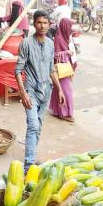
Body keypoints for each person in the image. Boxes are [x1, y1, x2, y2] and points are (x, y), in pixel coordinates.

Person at [14, 10, 65, 172]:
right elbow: (17, 70)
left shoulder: (50, 43)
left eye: (45, 22)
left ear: (49, 24)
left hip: (46, 91)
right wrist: (23, 93)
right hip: (31, 90)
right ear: (34, 23)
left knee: (39, 126)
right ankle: (29, 165)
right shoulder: (26, 43)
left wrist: (60, 89)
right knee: (33, 126)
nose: (42, 25)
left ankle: (31, 156)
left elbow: (51, 69)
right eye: (39, 22)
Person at [50, 18, 75, 122]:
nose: (71, 29)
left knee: (58, 89)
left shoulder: (66, 38)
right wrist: (66, 53)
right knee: (67, 91)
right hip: (60, 69)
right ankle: (65, 113)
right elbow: (54, 55)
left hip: (65, 67)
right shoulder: (59, 38)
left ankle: (58, 111)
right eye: (69, 27)